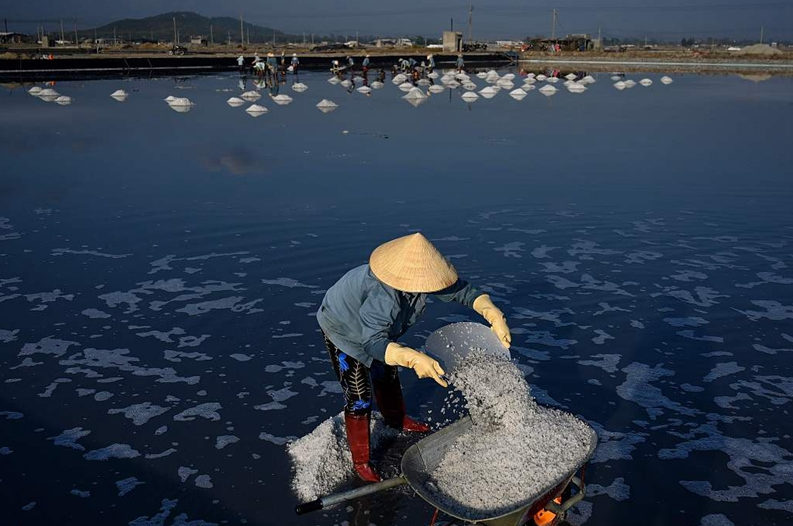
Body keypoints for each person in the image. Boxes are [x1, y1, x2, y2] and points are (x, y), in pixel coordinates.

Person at [317, 233, 511, 482]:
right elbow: (372, 343)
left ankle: (395, 420)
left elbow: (459, 291)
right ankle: (361, 461)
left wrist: (491, 311)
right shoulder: (383, 296)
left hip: (376, 330)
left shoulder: (416, 281)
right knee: (359, 395)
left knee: (386, 373)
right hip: (343, 328)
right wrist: (413, 358)